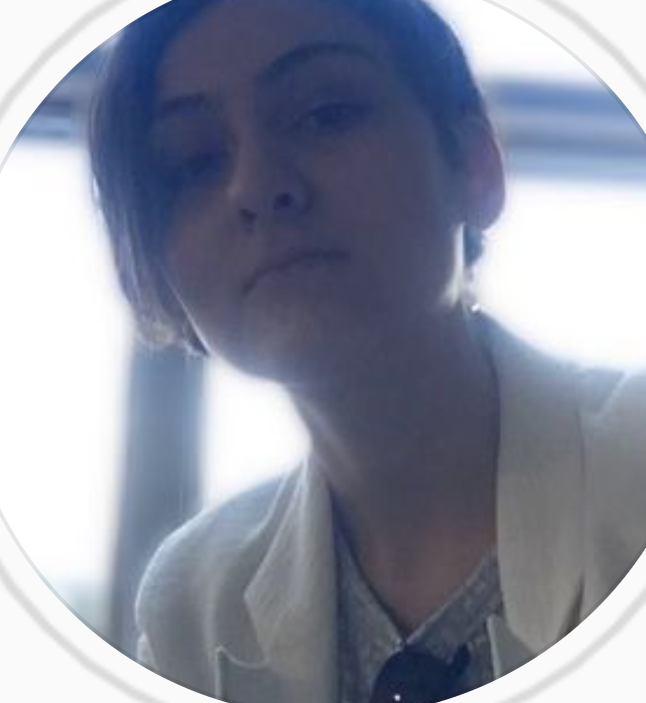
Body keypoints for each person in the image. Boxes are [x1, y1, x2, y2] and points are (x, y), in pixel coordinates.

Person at [88, 0, 646, 700]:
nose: (256, 186)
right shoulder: (192, 603)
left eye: (326, 114)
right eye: (194, 162)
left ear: (474, 165)